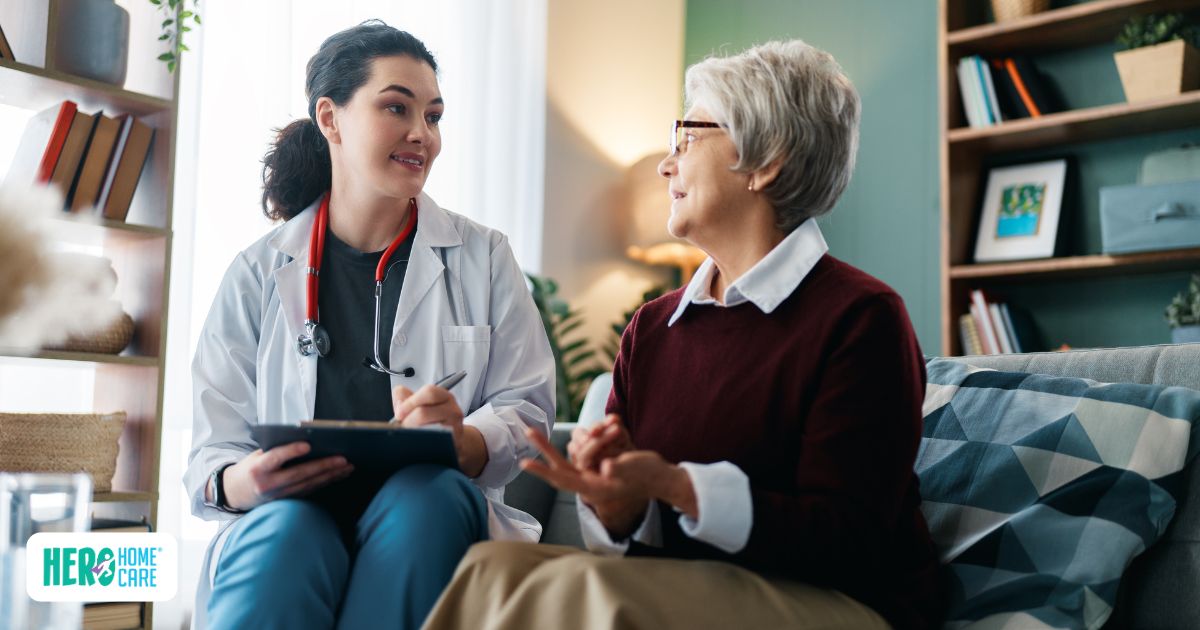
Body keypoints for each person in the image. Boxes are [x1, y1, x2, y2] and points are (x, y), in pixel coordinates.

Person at [421, 40, 941, 630]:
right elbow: (632, 533)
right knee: (492, 569)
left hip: (842, 604)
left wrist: (678, 487)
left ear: (766, 159)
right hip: (696, 590)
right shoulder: (654, 328)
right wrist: (621, 504)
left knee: (583, 592)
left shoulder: (861, 317)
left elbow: (849, 539)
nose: (667, 164)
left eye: (687, 138)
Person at [184, 21, 554, 630]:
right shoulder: (258, 271)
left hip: (430, 506)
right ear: (330, 119)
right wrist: (242, 480)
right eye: (396, 107)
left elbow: (528, 407)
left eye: (433, 116)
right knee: (286, 528)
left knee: (428, 501)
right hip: (290, 511)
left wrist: (464, 439)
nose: (422, 134)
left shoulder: (484, 257)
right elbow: (212, 452)